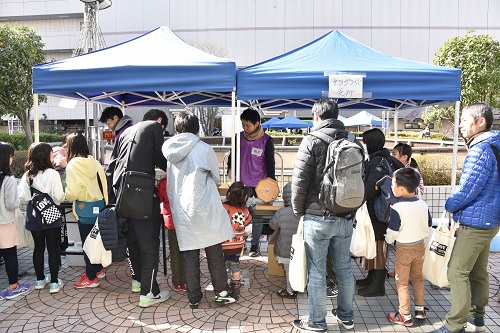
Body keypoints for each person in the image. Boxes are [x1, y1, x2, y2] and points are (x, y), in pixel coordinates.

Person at [431, 103, 500, 333]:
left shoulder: (480, 149)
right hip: (490, 220)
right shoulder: (494, 145)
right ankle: (477, 319)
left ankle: (454, 325)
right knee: (478, 271)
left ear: (481, 122)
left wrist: (450, 204)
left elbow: (469, 188)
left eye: (464, 120)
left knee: (457, 271)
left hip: (476, 221)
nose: (460, 125)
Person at [291, 98, 358, 332]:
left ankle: (317, 322)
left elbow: (299, 182)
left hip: (317, 217)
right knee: (344, 268)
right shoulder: (351, 139)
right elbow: (358, 180)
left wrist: (299, 212)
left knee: (317, 271)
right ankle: (346, 316)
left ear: (317, 116)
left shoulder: (311, 140)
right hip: (345, 216)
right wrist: (352, 211)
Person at [162, 110, 236, 309]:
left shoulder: (169, 150)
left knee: (189, 255)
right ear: (196, 128)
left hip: (182, 210)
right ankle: (221, 292)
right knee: (214, 253)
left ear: (177, 128)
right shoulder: (203, 148)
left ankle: (193, 296)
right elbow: (217, 176)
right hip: (204, 207)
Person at [111, 108, 169, 307]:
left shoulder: (125, 131)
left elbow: (112, 166)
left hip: (122, 196)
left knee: (133, 242)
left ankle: (138, 282)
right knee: (149, 244)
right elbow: (161, 160)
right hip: (142, 195)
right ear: (160, 121)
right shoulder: (154, 127)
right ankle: (150, 291)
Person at [356, 128, 404, 297]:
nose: (364, 145)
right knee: (376, 245)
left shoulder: (378, 161)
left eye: (366, 142)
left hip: (379, 212)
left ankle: (378, 285)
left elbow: (370, 188)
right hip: (382, 211)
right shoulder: (385, 158)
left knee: (378, 246)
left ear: (372, 143)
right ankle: (371, 278)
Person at [385, 168, 432, 327]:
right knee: (417, 278)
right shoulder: (423, 204)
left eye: (393, 184)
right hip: (420, 246)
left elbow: (392, 232)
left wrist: (387, 239)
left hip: (404, 249)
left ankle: (404, 315)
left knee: (402, 282)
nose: (392, 187)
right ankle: (419, 310)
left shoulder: (397, 208)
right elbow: (429, 224)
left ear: (402, 188)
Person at [227, 108, 275, 257]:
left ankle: (255, 244)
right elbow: (231, 155)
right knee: (238, 213)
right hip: (240, 184)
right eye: (243, 125)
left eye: (248, 125)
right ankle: (239, 242)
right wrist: (229, 167)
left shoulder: (266, 140)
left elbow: (270, 163)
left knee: (258, 215)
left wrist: (271, 183)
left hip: (259, 184)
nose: (245, 129)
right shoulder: (238, 138)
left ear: (257, 124)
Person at [19, 142, 65, 294]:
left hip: (34, 216)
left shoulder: (28, 175)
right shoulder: (53, 174)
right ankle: (53, 282)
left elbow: (23, 196)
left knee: (38, 247)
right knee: (53, 248)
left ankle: (39, 280)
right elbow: (58, 197)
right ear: (47, 156)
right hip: (50, 215)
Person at [64, 131, 108, 289]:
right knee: (96, 240)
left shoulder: (72, 165)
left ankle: (91, 278)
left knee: (87, 244)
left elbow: (73, 192)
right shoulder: (94, 162)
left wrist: (66, 195)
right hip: (100, 206)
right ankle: (98, 269)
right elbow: (104, 185)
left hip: (84, 208)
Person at [0, 143, 31, 300]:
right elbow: (11, 204)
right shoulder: (8, 179)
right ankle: (13, 287)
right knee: (10, 254)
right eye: (11, 156)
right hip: (4, 222)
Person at [269, 182, 300, 299]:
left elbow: (272, 226)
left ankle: (290, 291)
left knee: (289, 270)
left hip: (285, 249)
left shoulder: (281, 213)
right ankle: (302, 287)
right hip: (302, 249)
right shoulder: (304, 211)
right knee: (301, 268)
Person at [221, 181, 252, 289]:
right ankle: (236, 283)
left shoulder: (223, 207)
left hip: (224, 243)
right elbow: (247, 221)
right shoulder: (245, 210)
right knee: (235, 264)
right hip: (238, 243)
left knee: (221, 265)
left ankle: (222, 284)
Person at [157, 177, 186, 292]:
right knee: (187, 253)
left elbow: (160, 198)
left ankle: (177, 282)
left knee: (175, 254)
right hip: (185, 220)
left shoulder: (164, 182)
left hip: (171, 221)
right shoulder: (184, 178)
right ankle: (186, 281)